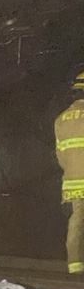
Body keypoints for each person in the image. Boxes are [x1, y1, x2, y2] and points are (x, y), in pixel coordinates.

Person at [54, 70, 84, 275]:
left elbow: (60, 155)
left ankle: (74, 265)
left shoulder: (61, 119)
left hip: (72, 180)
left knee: (77, 221)